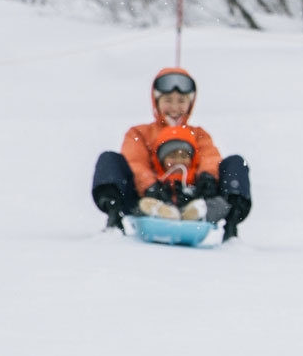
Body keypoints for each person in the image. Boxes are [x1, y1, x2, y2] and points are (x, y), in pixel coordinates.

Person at [90, 67, 252, 237]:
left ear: (190, 103)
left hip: (194, 195)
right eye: (168, 100)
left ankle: (226, 224)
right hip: (148, 196)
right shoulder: (140, 133)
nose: (175, 108)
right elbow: (135, 162)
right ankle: (115, 218)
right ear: (156, 101)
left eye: (181, 101)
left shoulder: (199, 135)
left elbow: (210, 157)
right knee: (109, 160)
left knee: (236, 164)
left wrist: (207, 179)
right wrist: (151, 186)